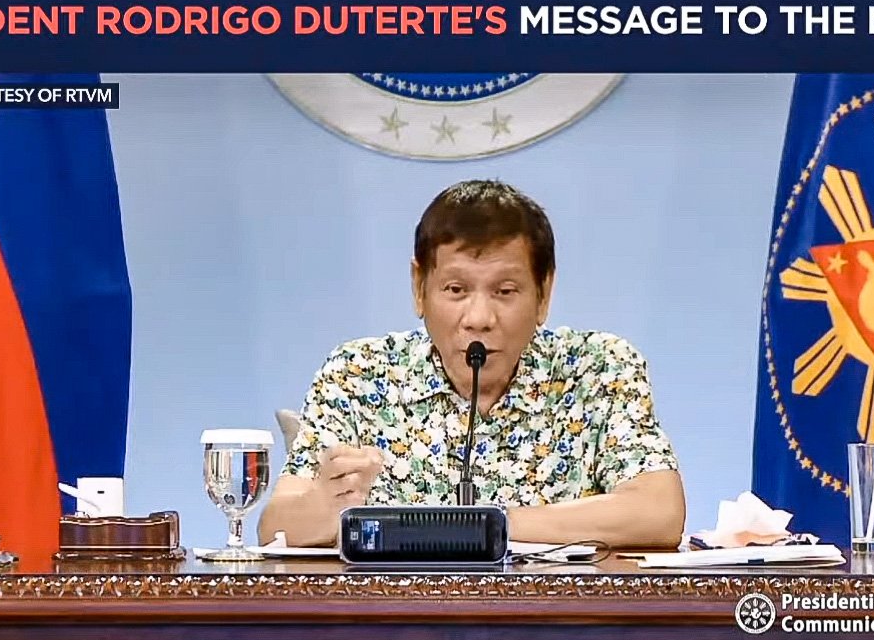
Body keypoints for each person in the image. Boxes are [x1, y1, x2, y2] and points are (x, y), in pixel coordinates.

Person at [258, 179, 685, 548]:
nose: (479, 318)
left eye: (505, 291)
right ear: (419, 288)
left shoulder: (599, 369)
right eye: (456, 289)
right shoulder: (359, 373)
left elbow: (659, 511)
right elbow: (275, 529)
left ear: (544, 292)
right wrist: (324, 504)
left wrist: (486, 526)